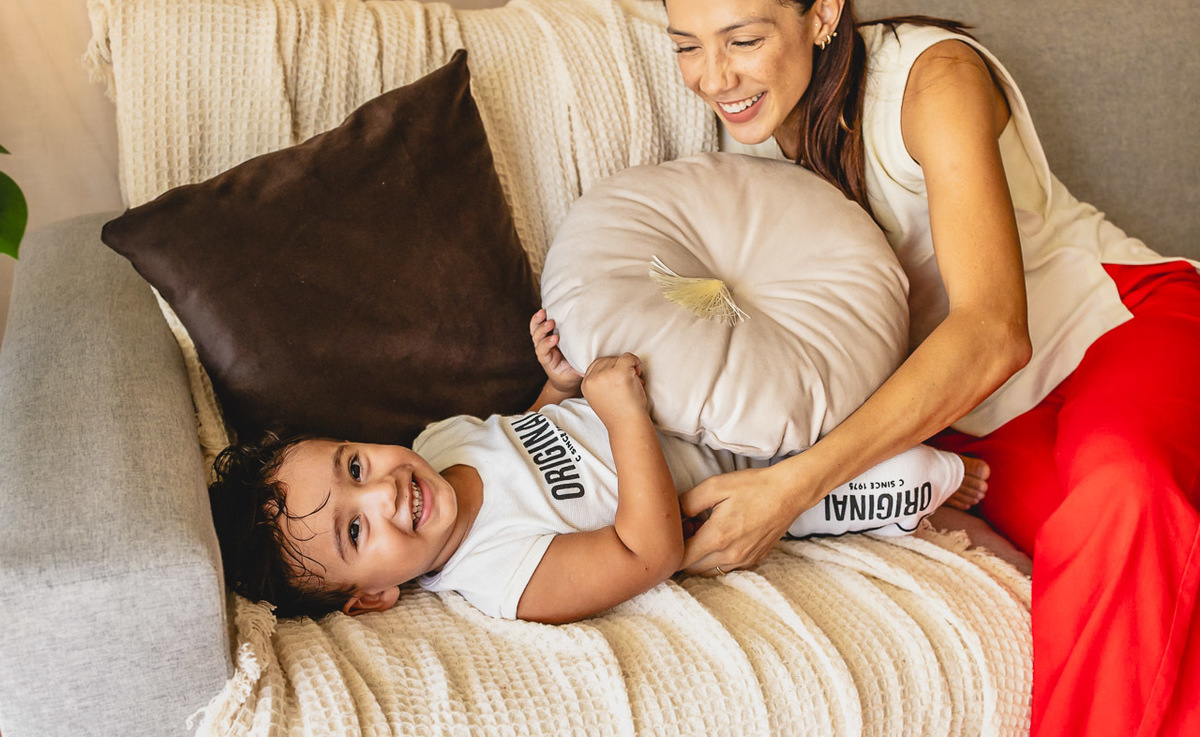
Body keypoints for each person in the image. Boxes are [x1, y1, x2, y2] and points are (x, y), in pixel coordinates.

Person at [647, 0, 1200, 735]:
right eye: (686, 46)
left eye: (742, 40)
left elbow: (993, 330)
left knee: (1128, 492)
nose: (713, 77)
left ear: (825, 13)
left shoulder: (936, 80)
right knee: (1145, 577)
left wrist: (792, 485)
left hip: (1113, 328)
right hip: (983, 422)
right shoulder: (756, 138)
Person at [209, 348, 985, 625]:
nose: (381, 490)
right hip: (739, 488)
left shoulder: (436, 443)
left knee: (854, 370)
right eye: (355, 531)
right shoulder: (502, 574)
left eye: (352, 465)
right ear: (373, 595)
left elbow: (532, 432)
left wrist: (555, 386)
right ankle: (915, 503)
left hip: (698, 410)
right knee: (923, 467)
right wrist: (621, 413)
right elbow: (647, 550)